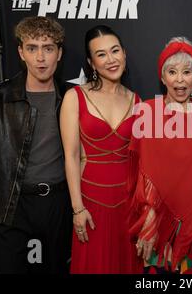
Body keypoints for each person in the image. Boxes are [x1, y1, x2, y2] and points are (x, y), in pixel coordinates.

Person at [0, 16, 72, 273]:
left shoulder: (72, 97)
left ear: (59, 53)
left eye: (48, 48)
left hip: (57, 204)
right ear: (21, 53)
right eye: (32, 48)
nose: (40, 57)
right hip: (10, 204)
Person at [128, 37, 192, 273]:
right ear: (162, 78)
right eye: (172, 72)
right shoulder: (147, 111)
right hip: (158, 224)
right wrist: (149, 222)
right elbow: (143, 172)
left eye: (187, 72)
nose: (180, 80)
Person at [60, 25, 141, 273]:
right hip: (91, 206)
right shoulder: (75, 97)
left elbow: (141, 160)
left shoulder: (136, 100)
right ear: (91, 62)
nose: (111, 59)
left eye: (115, 51)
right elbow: (71, 157)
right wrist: (78, 209)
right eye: (101, 54)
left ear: (124, 54)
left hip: (128, 206)